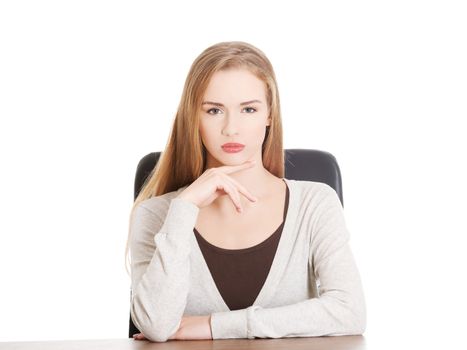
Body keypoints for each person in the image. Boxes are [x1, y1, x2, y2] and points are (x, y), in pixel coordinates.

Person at [124, 41, 366, 342]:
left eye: (248, 109)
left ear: (269, 115)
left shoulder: (315, 203)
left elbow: (349, 311)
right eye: (213, 110)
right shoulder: (157, 215)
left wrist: (214, 326)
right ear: (193, 118)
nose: (231, 128)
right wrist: (184, 208)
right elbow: (156, 326)